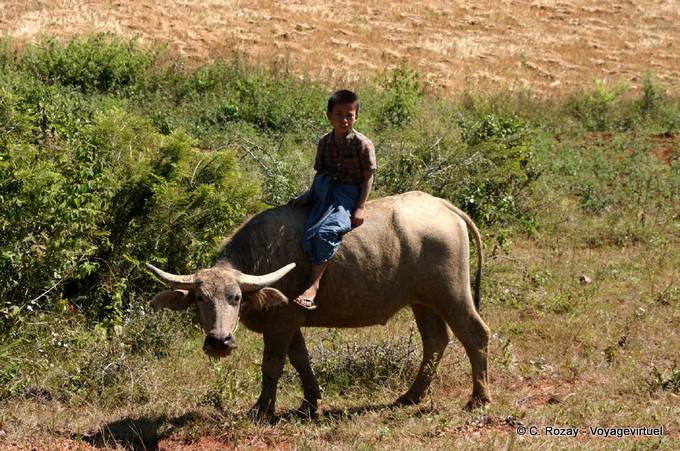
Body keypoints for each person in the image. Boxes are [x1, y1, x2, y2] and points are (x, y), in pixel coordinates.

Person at [288, 89, 376, 310]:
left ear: (357, 117)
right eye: (339, 114)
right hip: (326, 189)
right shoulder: (325, 142)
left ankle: (313, 286)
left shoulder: (362, 144)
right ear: (329, 116)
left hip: (349, 194)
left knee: (327, 232)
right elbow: (321, 172)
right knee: (308, 232)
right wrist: (310, 194)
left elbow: (368, 177)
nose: (344, 120)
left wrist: (360, 207)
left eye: (349, 115)